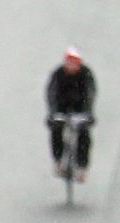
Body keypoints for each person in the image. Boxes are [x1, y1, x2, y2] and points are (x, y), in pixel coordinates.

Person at [46, 47, 96, 181]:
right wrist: (53, 113)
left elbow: (90, 94)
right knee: (56, 130)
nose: (71, 66)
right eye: (68, 63)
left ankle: (81, 167)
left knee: (84, 134)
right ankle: (58, 161)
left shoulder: (86, 75)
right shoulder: (58, 74)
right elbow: (51, 94)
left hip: (80, 108)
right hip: (61, 107)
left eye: (74, 63)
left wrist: (88, 113)